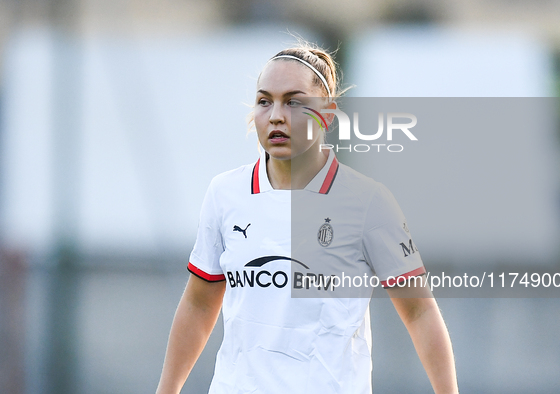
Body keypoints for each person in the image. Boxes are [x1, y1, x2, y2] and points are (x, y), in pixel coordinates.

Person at [156, 42, 458, 394]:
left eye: (294, 102)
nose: (276, 115)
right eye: (264, 101)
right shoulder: (225, 194)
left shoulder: (367, 202)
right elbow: (199, 302)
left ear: (327, 115)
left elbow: (420, 313)